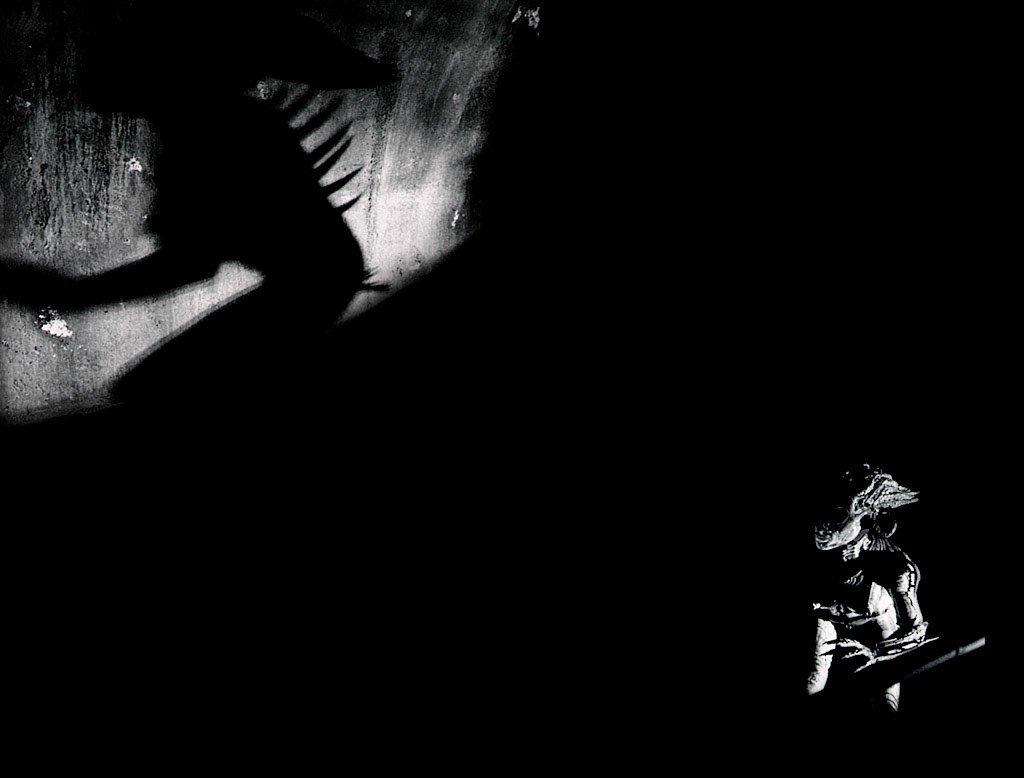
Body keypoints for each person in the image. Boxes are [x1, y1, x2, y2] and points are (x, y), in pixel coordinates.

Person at [806, 467, 934, 713]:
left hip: (878, 623)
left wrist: (877, 652)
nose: (822, 526)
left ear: (864, 516)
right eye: (823, 511)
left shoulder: (894, 564)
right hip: (830, 617)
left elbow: (917, 632)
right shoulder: (819, 549)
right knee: (812, 683)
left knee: (886, 703)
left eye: (837, 514)